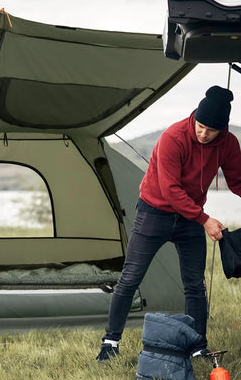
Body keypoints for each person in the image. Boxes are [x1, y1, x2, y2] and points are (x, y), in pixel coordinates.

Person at [96, 85, 241, 362]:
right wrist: (204, 219)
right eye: (200, 126)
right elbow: (171, 190)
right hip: (155, 212)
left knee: (195, 285)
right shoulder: (173, 137)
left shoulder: (228, 143)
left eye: (211, 130)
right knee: (130, 279)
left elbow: (237, 181)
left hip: (189, 219)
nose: (203, 133)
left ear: (221, 130)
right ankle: (110, 342)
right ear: (194, 117)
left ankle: (197, 347)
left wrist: (199, 216)